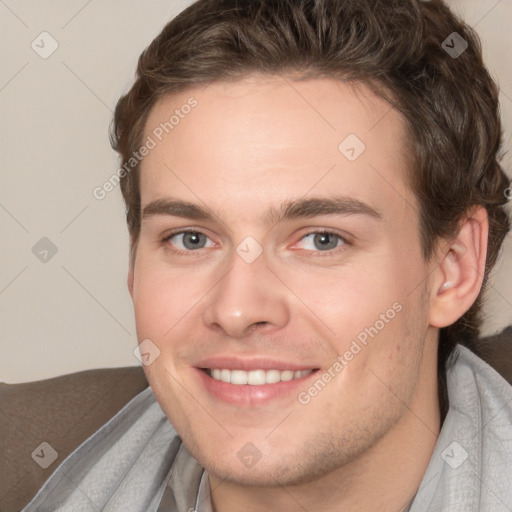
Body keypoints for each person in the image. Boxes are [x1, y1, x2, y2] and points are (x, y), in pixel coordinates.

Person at [23, 0, 512, 510]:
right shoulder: (20, 464)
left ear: (453, 267)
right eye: (191, 239)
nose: (236, 310)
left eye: (322, 239)